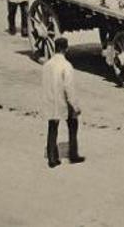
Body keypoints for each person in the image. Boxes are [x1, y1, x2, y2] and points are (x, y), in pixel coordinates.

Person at [42, 38, 84, 167]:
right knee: (73, 125)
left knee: (52, 128)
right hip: (64, 101)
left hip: (50, 100)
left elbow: (45, 85)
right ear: (66, 48)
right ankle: (73, 155)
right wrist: (75, 106)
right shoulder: (66, 66)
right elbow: (69, 88)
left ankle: (52, 158)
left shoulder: (47, 65)